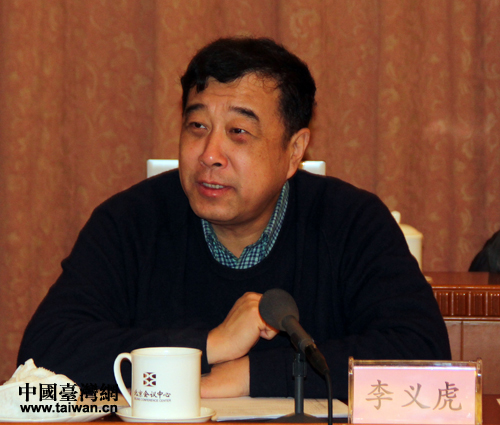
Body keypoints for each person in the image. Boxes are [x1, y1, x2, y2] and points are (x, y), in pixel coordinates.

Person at [18, 37, 451, 399]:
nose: (210, 154)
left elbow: (422, 353)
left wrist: (250, 376)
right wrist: (206, 347)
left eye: (238, 132)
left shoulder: (352, 222)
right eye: (197, 126)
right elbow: (44, 352)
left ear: (294, 151)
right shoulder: (130, 221)